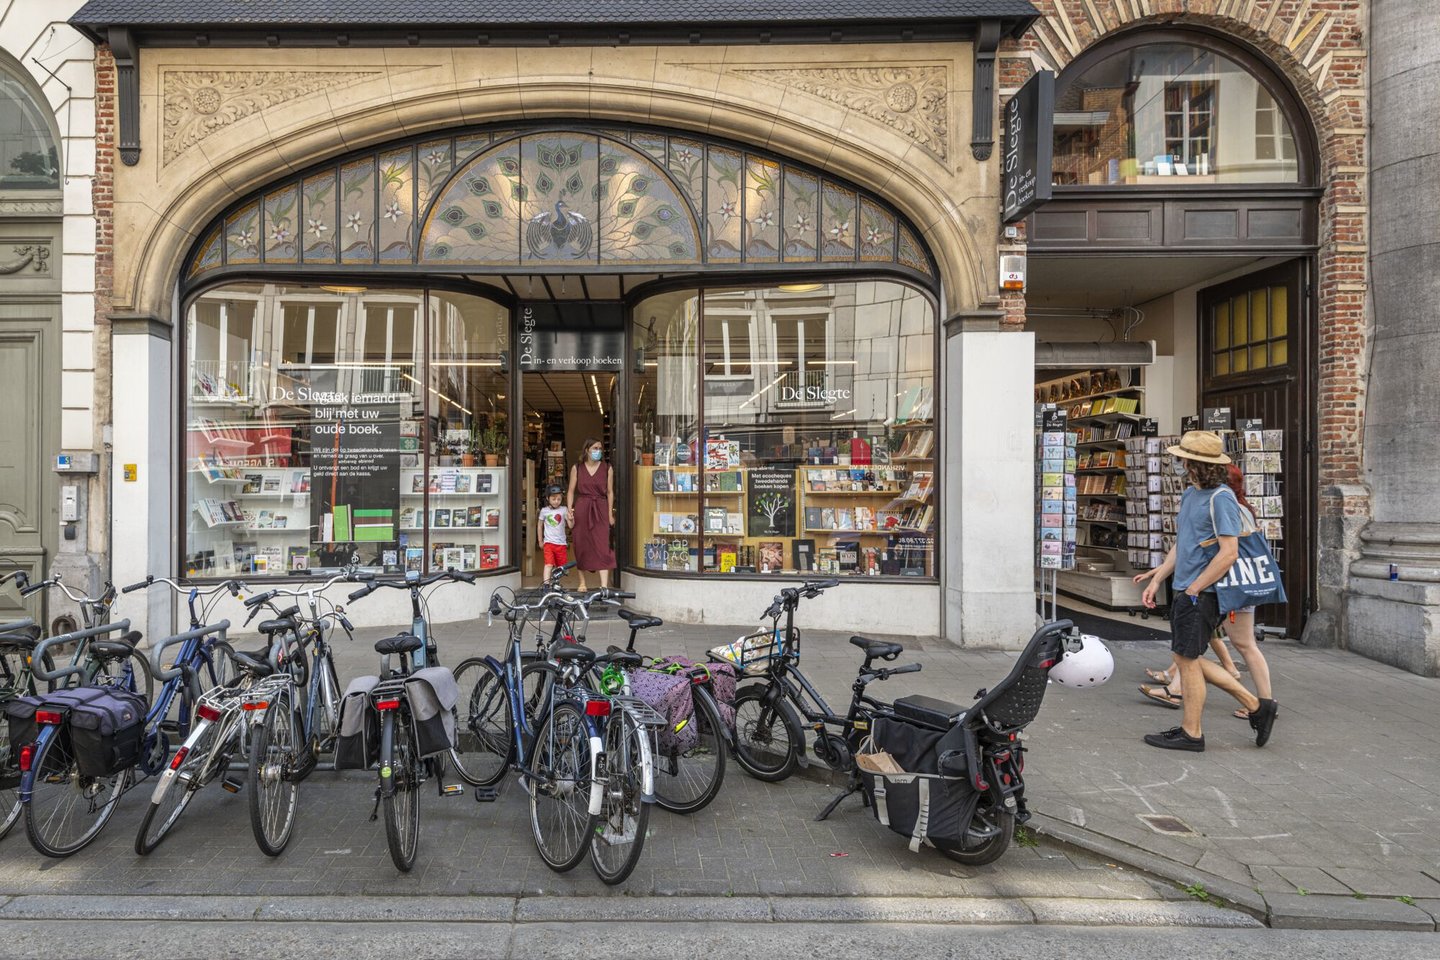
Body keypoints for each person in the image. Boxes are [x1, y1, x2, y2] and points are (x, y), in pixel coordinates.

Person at [1131, 430, 1276, 751]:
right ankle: (1247, 710)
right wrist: (1158, 578)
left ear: (1195, 463)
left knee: (1187, 659)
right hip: (1187, 590)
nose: (1179, 462)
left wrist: (1196, 586)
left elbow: (1229, 552)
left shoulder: (1220, 498)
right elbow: (1182, 545)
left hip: (1203, 594)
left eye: (1183, 458)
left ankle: (1200, 729)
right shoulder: (1190, 495)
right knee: (1187, 659)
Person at [567, 438, 617, 591]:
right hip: (582, 508)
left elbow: (609, 492)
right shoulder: (577, 468)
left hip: (600, 508)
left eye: (600, 449)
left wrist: (609, 514)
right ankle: (582, 583)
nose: (598, 451)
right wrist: (569, 509)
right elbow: (570, 491)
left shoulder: (607, 468)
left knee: (603, 546)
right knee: (581, 545)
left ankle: (603, 586)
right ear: (587, 450)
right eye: (595, 448)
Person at [537, 484, 570, 582]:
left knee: (561, 568)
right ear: (548, 498)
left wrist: (571, 519)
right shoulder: (544, 511)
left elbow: (571, 525)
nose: (556, 501)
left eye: (559, 499)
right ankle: (546, 584)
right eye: (554, 499)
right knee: (548, 564)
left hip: (561, 544)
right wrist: (540, 540)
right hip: (549, 543)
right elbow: (539, 525)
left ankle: (556, 584)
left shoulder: (564, 510)